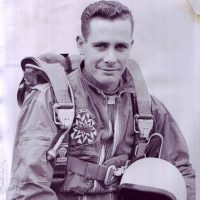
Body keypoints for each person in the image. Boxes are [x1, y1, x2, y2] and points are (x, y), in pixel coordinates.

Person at [7, 1, 195, 200]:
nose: (111, 58)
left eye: (120, 47)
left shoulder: (146, 108)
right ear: (81, 44)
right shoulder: (48, 101)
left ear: (131, 46)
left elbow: (180, 172)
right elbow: (28, 188)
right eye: (101, 46)